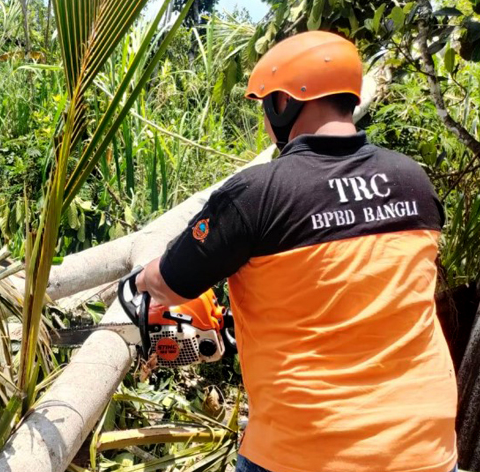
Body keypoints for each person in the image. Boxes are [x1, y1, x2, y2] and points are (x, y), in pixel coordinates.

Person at [136, 31, 458, 472]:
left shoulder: (257, 194)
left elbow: (169, 285)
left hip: (305, 453)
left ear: (283, 103)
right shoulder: (413, 182)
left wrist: (138, 279)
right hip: (427, 449)